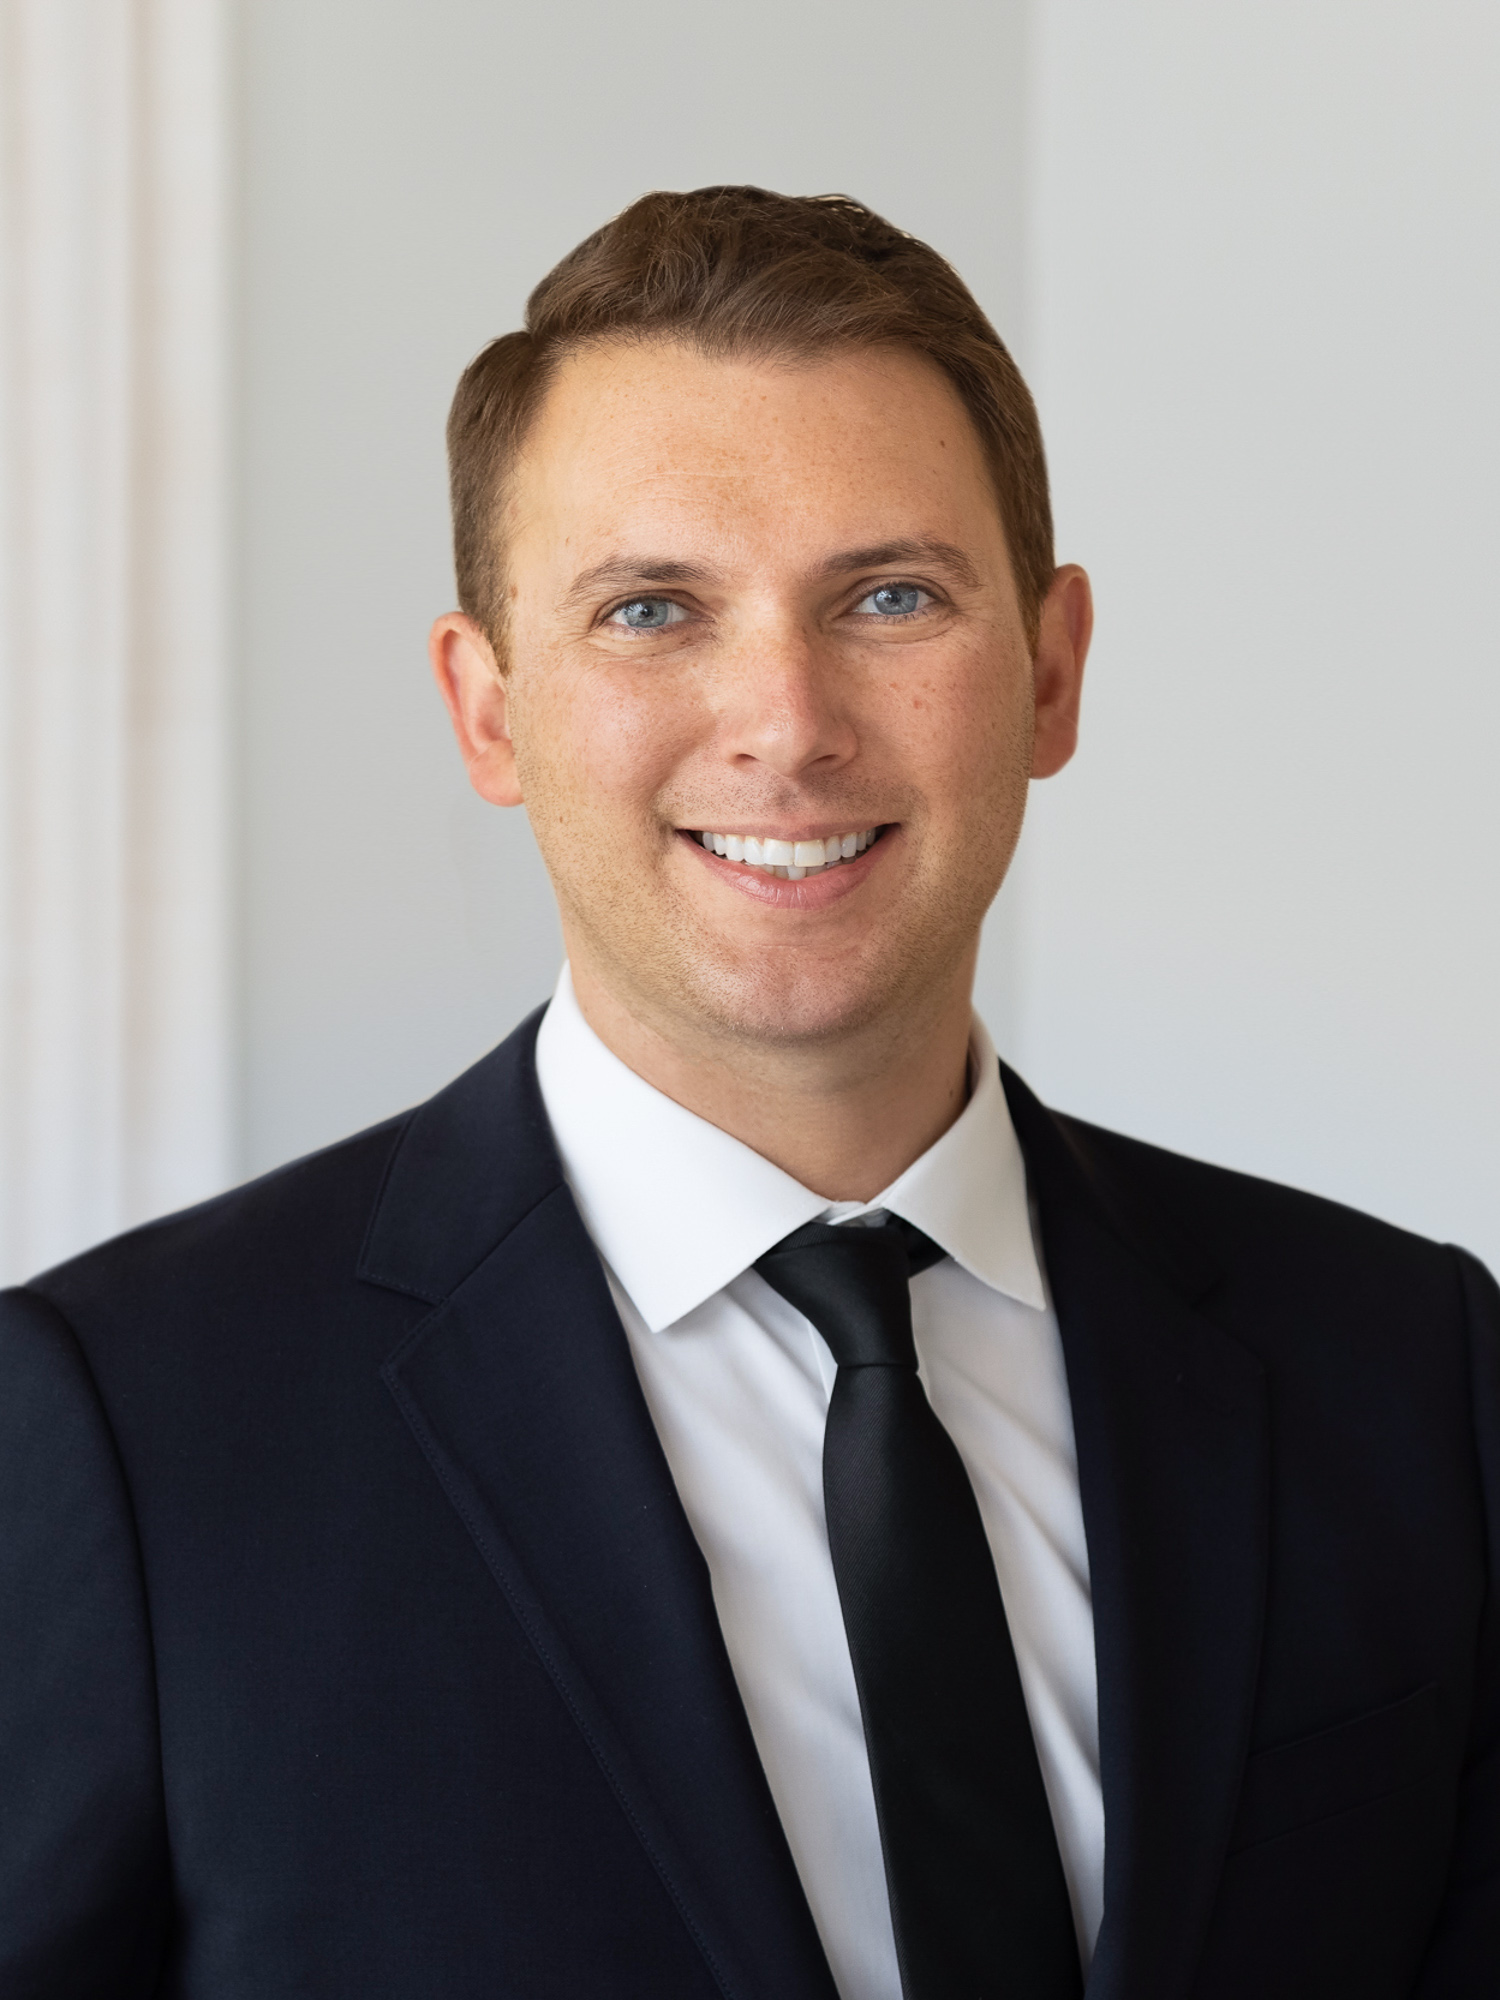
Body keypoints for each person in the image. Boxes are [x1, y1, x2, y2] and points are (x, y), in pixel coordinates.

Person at [1, 186, 1494, 2000]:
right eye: (650, 610)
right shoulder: (123, 1431)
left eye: (890, 596)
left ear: (1050, 672)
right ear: (489, 710)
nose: (786, 722)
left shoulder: (1410, 1370)